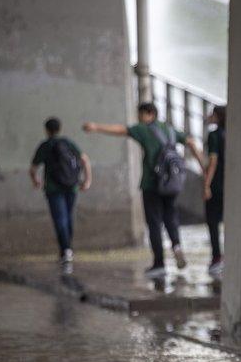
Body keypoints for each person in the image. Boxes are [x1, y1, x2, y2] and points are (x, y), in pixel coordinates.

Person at [83, 102, 206, 277]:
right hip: (172, 183)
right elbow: (192, 142)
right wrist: (203, 168)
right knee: (171, 217)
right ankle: (176, 246)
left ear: (149, 114)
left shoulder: (144, 129)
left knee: (154, 223)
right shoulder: (170, 130)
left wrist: (96, 127)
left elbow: (122, 130)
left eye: (140, 114)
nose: (139, 118)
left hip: (152, 184)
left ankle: (159, 263)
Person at [30, 117, 91, 273]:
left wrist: (35, 181)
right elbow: (84, 159)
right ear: (60, 128)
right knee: (68, 216)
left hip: (53, 189)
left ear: (46, 130)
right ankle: (67, 248)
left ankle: (66, 250)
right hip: (71, 186)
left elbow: (33, 168)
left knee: (60, 218)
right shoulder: (68, 143)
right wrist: (87, 180)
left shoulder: (45, 146)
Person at [203, 105, 226, 276]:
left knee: (212, 221)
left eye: (213, 114)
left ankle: (217, 257)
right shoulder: (233, 134)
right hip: (231, 186)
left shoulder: (214, 135)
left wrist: (206, 184)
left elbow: (213, 161)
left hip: (217, 184)